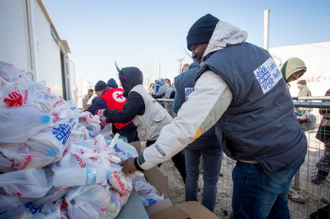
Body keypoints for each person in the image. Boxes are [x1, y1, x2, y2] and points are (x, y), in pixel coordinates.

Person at [121, 14, 307, 219]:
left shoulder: (219, 69)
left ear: (209, 40)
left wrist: (139, 162)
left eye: (194, 47)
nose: (193, 55)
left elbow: (184, 127)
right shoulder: (258, 52)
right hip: (292, 147)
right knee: (277, 212)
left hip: (262, 162)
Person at [97, 67, 186, 184]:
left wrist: (106, 112)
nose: (121, 84)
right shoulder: (139, 91)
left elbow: (125, 115)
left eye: (122, 81)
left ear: (128, 80)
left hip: (158, 132)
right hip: (165, 128)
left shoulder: (135, 93)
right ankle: (189, 186)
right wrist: (109, 119)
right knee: (178, 160)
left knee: (149, 162)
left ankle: (150, 186)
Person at [174, 60, 223, 212]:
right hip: (213, 136)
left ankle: (191, 210)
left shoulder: (181, 79)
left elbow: (176, 107)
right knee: (210, 182)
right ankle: (207, 213)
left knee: (191, 176)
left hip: (191, 135)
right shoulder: (213, 74)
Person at [312, 88, 330, 184]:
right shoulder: (329, 92)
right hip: (328, 126)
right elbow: (323, 109)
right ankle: (321, 175)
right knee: (328, 154)